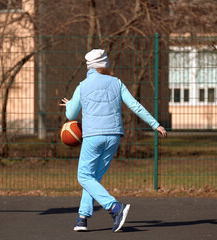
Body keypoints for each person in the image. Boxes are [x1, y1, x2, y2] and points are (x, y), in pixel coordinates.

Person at [60, 49, 167, 233]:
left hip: (93, 136)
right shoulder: (116, 82)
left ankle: (115, 208)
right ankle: (82, 218)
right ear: (105, 64)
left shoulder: (82, 86)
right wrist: (155, 124)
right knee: (93, 178)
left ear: (89, 66)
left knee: (84, 177)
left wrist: (71, 103)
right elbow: (134, 105)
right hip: (114, 136)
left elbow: (70, 115)